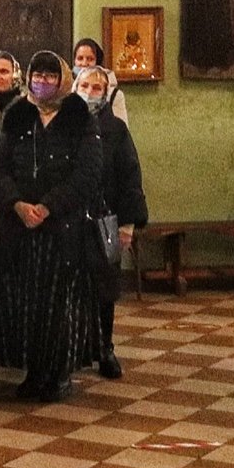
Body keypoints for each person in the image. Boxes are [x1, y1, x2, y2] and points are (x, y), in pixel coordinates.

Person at [0, 52, 104, 403]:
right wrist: (17, 204)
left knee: (59, 305)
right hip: (21, 227)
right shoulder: (17, 114)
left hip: (61, 227)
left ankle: (57, 373)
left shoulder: (78, 116)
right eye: (37, 74)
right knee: (26, 302)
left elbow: (87, 172)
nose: (43, 81)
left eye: (50, 76)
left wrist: (49, 206)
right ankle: (34, 370)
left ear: (63, 79)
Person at [75, 65, 146, 381]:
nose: (90, 91)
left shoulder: (116, 129)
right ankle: (75, 348)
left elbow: (129, 177)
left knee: (104, 288)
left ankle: (105, 348)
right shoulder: (66, 125)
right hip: (72, 219)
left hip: (106, 219)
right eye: (85, 85)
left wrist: (128, 225)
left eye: (96, 87)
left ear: (106, 93)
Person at [71, 38, 129, 124]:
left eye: (90, 59)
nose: (84, 63)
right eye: (80, 58)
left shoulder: (114, 94)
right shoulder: (65, 89)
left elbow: (120, 129)